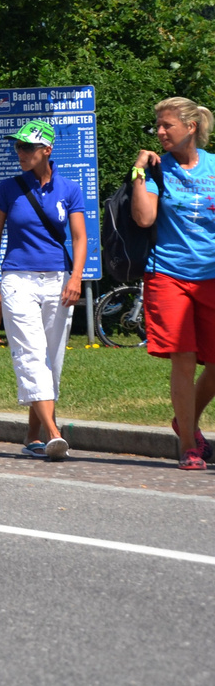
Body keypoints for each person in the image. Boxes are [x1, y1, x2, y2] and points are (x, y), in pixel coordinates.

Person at [0, 120, 86, 461]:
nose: (20, 153)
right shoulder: (8, 188)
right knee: (30, 354)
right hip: (17, 280)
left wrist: (75, 278)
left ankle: (31, 435)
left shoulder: (70, 189)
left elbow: (80, 238)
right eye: (18, 147)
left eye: (27, 147)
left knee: (50, 360)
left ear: (47, 151)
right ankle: (54, 434)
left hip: (57, 279)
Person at [129, 97, 215, 470]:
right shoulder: (155, 169)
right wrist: (138, 172)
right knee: (183, 357)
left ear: (191, 127)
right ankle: (187, 446)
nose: (160, 132)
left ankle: (185, 421)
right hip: (167, 273)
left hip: (211, 274)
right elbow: (145, 219)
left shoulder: (214, 166)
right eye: (158, 126)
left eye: (168, 126)